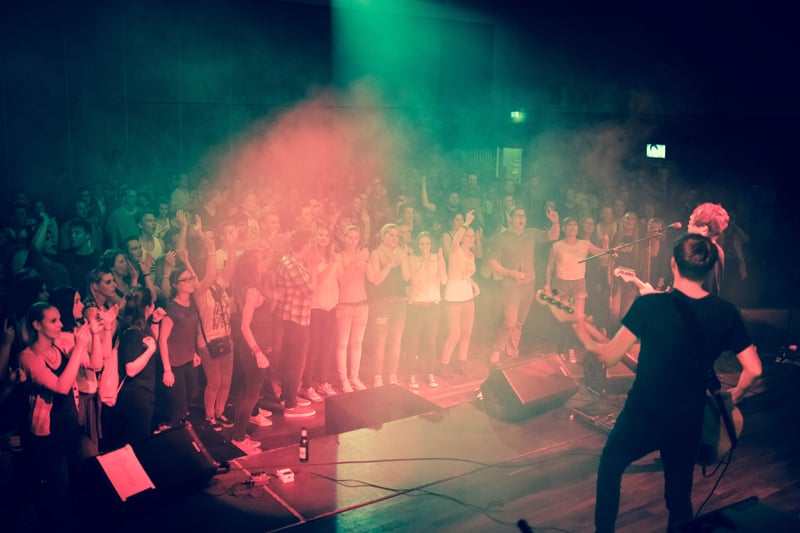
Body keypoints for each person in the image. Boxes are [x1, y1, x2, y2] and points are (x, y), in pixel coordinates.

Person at [573, 233, 762, 532]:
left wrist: (580, 328)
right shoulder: (726, 312)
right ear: (710, 268)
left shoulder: (649, 304)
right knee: (679, 495)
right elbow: (754, 369)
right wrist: (734, 396)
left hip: (644, 412)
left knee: (610, 465)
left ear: (673, 263)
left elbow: (609, 357)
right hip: (688, 416)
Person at [18, 302, 90, 526]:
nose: (60, 324)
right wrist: (79, 348)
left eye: (59, 319)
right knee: (59, 494)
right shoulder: (28, 357)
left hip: (72, 426)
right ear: (37, 325)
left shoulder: (59, 347)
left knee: (85, 480)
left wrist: (98, 334)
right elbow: (61, 387)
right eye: (53, 320)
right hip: (49, 436)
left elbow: (95, 362)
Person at [487, 205, 560, 364]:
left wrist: (555, 223)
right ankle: (497, 349)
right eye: (518, 216)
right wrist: (509, 273)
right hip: (511, 286)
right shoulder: (502, 238)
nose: (522, 219)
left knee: (519, 322)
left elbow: (553, 236)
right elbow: (492, 262)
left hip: (529, 285)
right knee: (510, 323)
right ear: (510, 219)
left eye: (524, 216)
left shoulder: (531, 233)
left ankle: (512, 350)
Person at [543, 217, 606, 363]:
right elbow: (549, 266)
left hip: (579, 283)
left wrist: (606, 243)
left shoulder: (585, 244)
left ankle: (570, 349)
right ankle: (561, 349)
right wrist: (547, 284)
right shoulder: (557, 245)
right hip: (561, 283)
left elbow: (602, 254)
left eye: (575, 224)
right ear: (564, 228)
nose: (573, 227)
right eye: (570, 225)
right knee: (563, 318)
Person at [439, 211, 480, 378]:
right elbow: (455, 240)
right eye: (468, 236)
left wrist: (473, 284)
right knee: (454, 335)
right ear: (463, 237)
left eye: (472, 236)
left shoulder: (471, 255)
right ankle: (443, 364)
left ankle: (461, 362)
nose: (471, 238)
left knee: (466, 333)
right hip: (453, 298)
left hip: (468, 297)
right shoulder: (455, 250)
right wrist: (466, 223)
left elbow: (465, 275)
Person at [403, 230, 446, 388]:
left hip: (433, 306)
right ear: (418, 245)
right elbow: (408, 278)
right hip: (416, 306)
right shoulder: (412, 258)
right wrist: (423, 262)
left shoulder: (437, 258)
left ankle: (430, 373)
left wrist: (440, 259)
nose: (425, 247)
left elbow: (444, 279)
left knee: (431, 342)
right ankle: (411, 375)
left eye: (427, 243)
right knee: (413, 342)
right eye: (422, 244)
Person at [334, 225, 371, 393]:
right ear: (344, 238)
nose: (353, 241)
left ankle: (354, 377)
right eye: (350, 237)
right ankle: (343, 379)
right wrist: (354, 264)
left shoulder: (361, 256)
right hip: (344, 305)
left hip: (362, 304)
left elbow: (372, 278)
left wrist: (367, 261)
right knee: (342, 344)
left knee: (357, 343)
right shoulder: (339, 257)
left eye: (356, 238)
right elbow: (342, 281)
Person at [687, 202, 729, 296]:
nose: (690, 217)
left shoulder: (704, 252)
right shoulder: (716, 250)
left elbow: (698, 294)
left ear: (704, 229)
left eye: (695, 216)